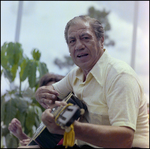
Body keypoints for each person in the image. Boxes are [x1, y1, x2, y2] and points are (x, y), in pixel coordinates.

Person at [35, 15, 149, 148]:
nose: (78, 46)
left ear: (101, 41)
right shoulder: (75, 74)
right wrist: (40, 94)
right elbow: (50, 92)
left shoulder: (120, 76)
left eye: (85, 38)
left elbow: (124, 140)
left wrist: (70, 127)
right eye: (72, 41)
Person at [8, 73, 64, 147]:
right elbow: (43, 145)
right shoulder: (46, 122)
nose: (52, 96)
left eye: (56, 93)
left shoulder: (75, 117)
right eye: (46, 94)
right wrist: (21, 135)